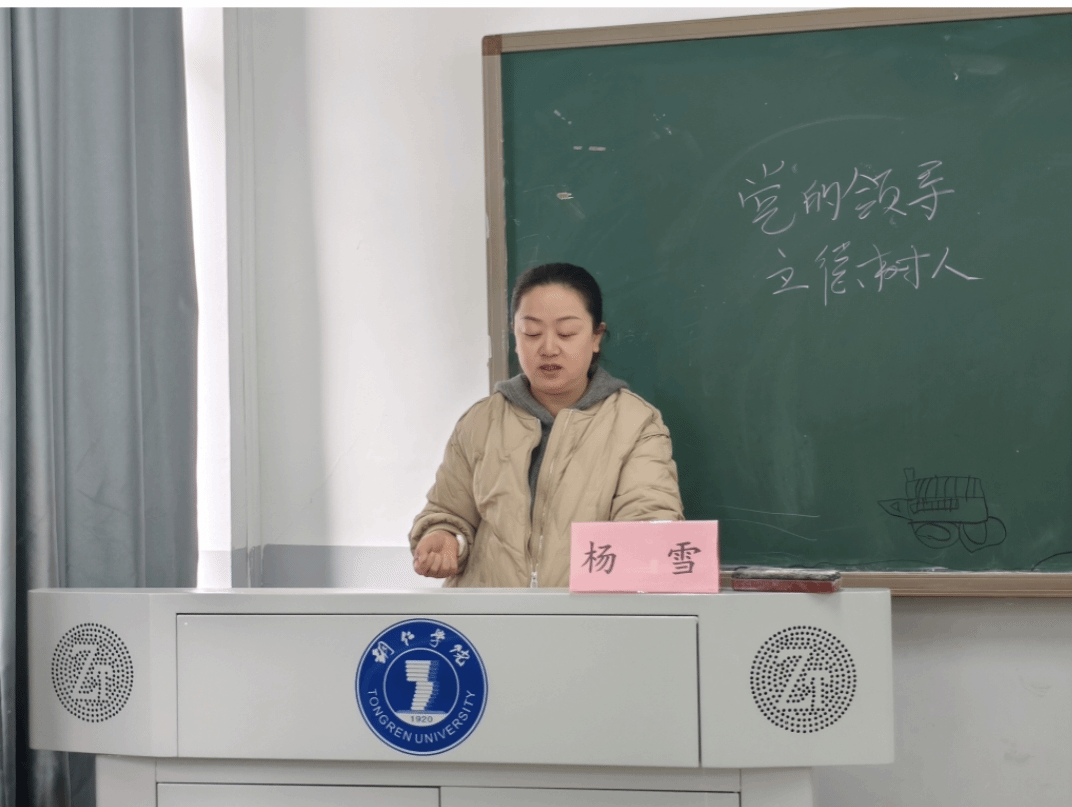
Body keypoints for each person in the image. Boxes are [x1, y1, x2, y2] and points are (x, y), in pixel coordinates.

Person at [410, 262, 683, 587]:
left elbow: (650, 520)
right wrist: (444, 537)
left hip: (587, 615)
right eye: (531, 333)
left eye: (566, 333)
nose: (548, 348)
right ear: (515, 336)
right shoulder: (480, 421)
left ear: (596, 337)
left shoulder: (635, 424)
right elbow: (448, 513)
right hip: (489, 614)